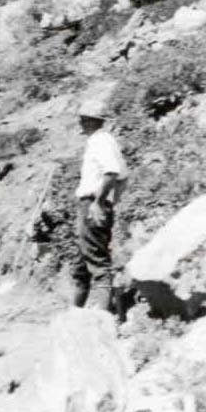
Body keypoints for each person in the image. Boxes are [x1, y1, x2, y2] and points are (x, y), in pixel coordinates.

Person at [72, 98, 128, 310]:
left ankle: (101, 322)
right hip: (91, 204)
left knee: (98, 265)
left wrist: (99, 202)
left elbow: (113, 172)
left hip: (92, 205)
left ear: (90, 121)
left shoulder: (101, 141)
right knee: (80, 266)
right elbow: (123, 177)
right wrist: (113, 201)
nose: (81, 123)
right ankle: (74, 316)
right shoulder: (102, 141)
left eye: (83, 119)